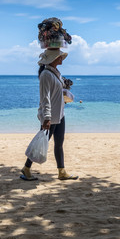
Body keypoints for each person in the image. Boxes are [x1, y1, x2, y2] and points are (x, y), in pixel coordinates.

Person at [20, 48, 78, 181]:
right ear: (52, 58)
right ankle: (26, 168)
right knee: (41, 142)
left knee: (59, 143)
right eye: (59, 56)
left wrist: (65, 86)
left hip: (59, 114)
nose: (61, 58)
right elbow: (44, 97)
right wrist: (46, 117)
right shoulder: (46, 74)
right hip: (51, 116)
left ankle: (62, 171)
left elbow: (56, 92)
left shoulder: (55, 73)